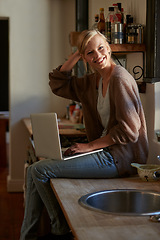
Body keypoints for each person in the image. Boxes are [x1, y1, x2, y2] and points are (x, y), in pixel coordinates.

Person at [20, 30, 148, 240]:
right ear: (85, 58)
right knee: (33, 170)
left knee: (40, 171)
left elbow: (130, 130)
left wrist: (89, 146)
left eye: (100, 48)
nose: (97, 55)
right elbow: (58, 84)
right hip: (105, 152)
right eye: (89, 53)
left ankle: (59, 230)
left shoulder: (120, 78)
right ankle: (27, 236)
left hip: (121, 158)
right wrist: (76, 55)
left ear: (109, 47)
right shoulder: (93, 81)